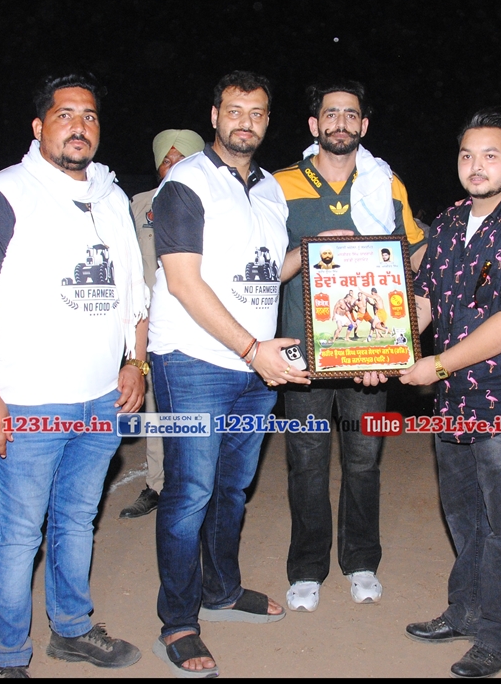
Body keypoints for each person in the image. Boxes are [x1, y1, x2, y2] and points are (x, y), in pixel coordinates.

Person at [0, 71, 148, 677]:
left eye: (89, 116)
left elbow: (133, 292)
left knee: (77, 521)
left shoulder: (111, 198)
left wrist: (136, 361)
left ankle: (71, 628)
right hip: (27, 403)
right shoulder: (3, 195)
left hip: (101, 401)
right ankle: (8, 656)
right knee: (18, 535)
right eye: (65, 115)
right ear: (39, 127)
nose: (79, 127)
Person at [147, 71, 306, 677]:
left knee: (232, 488)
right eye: (235, 110)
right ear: (214, 116)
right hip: (195, 361)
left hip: (254, 368)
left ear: (267, 122)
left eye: (257, 113)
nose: (246, 121)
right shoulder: (186, 183)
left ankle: (221, 589)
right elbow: (184, 282)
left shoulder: (269, 190)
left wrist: (315, 254)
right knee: (189, 493)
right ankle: (178, 621)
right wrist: (251, 348)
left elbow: (264, 271)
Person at [398, 108, 501, 679]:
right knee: (463, 514)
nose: (477, 165)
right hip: (453, 399)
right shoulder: (447, 222)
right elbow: (424, 301)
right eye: (467, 155)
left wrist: (435, 364)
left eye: (490, 155)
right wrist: (386, 347)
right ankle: (465, 610)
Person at [271, 81, 427, 614]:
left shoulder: (386, 183)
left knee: (364, 461)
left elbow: (415, 253)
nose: (341, 122)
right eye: (330, 113)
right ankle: (307, 568)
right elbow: (264, 269)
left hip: (369, 355)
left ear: (363, 125)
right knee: (306, 463)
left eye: (351, 114)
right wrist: (311, 250)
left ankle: (361, 561)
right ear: (314, 125)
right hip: (302, 354)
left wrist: (408, 326)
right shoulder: (279, 185)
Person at [121, 128, 205, 520]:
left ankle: (200, 487)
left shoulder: (211, 202)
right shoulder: (137, 206)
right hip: (152, 326)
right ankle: (158, 485)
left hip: (201, 322)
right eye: (166, 160)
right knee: (155, 408)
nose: (172, 166)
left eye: (181, 159)